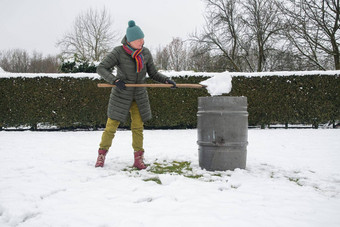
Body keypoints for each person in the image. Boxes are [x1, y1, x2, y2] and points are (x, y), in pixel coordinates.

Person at [95, 20, 176, 169]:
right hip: (121, 94)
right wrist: (115, 80)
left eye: (143, 38)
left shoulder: (145, 53)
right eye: (139, 39)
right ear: (130, 40)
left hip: (139, 96)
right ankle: (101, 155)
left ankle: (138, 158)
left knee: (138, 127)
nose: (142, 42)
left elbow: (153, 73)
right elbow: (101, 68)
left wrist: (166, 80)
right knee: (111, 127)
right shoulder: (118, 52)